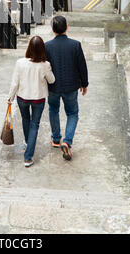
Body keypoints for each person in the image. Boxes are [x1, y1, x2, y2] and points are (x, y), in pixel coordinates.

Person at [45, 16, 88, 161]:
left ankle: (56, 139)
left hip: (53, 86)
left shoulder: (47, 46)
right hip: (71, 86)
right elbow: (82, 66)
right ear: (67, 27)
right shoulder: (75, 45)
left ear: (52, 30)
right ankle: (67, 141)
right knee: (72, 113)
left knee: (53, 110)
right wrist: (84, 83)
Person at [7, 36, 55, 167]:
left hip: (22, 97)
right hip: (38, 99)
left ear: (29, 48)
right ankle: (28, 157)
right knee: (35, 124)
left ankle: (28, 142)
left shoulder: (20, 62)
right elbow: (52, 80)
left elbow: (15, 82)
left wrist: (10, 97)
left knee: (25, 119)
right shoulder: (45, 65)